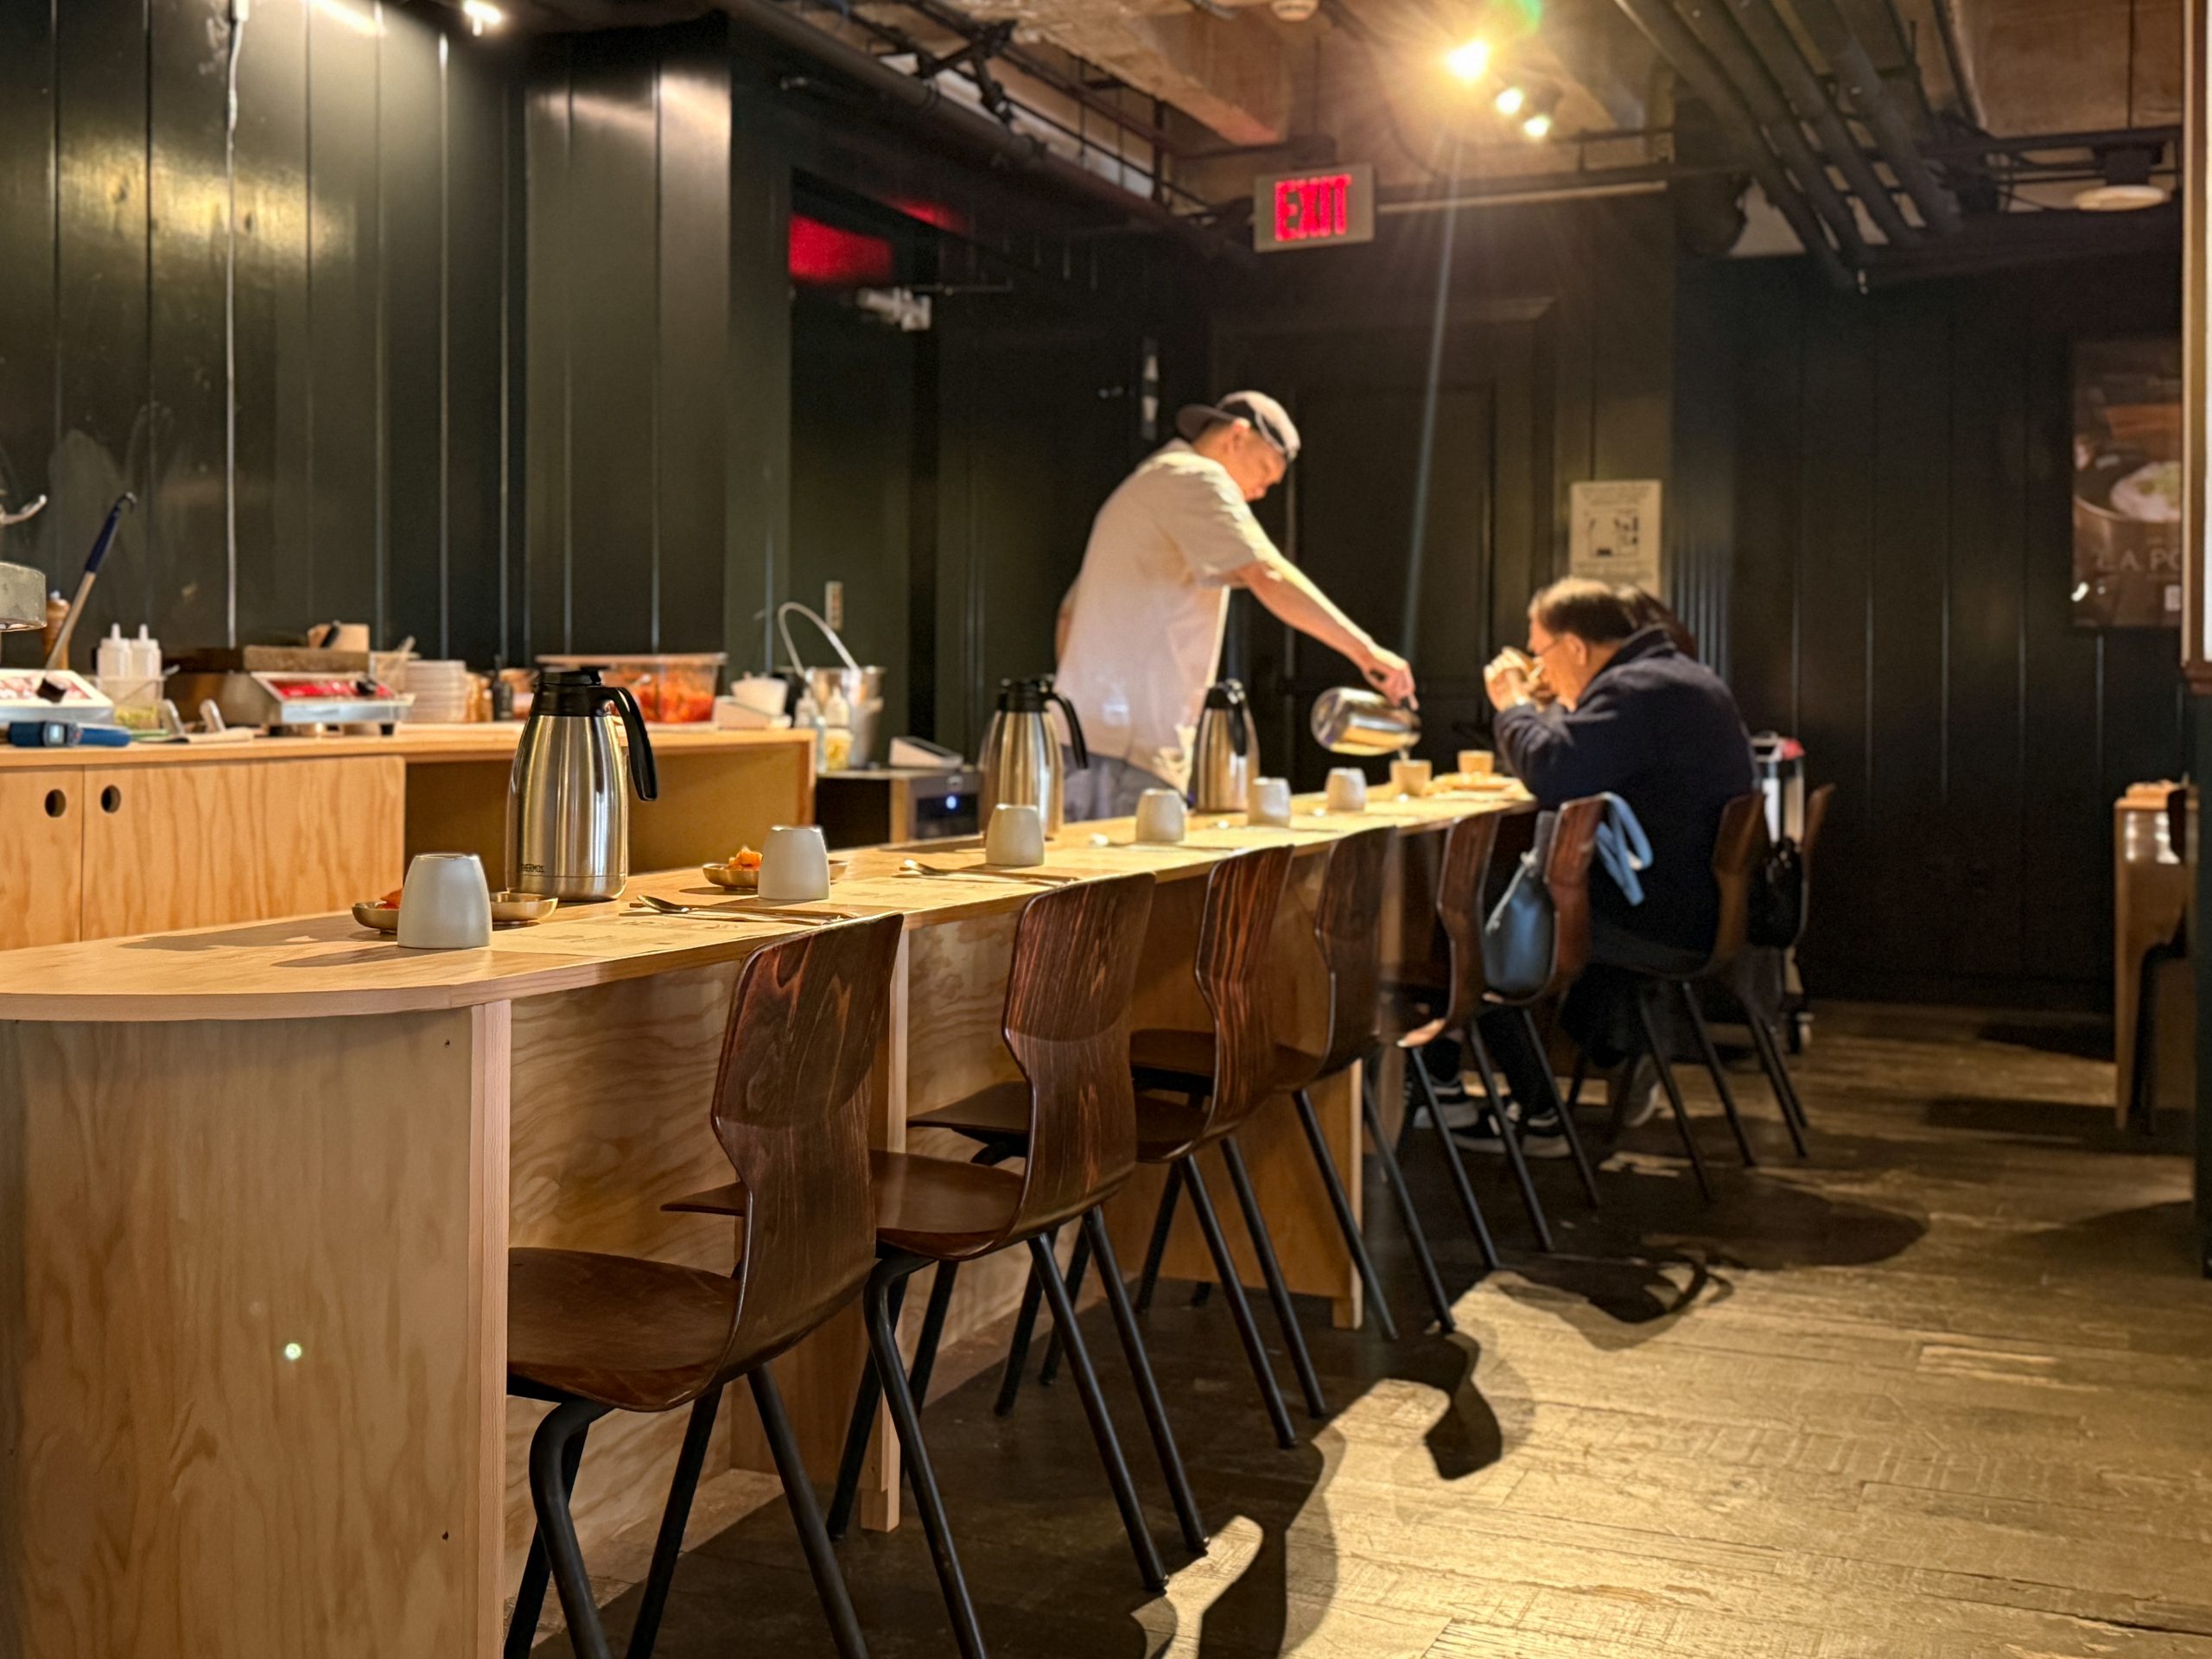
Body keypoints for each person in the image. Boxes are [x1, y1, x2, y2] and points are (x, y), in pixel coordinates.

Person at [1462, 577, 1755, 1154]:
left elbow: (1553, 772)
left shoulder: (1636, 690)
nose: (1540, 668)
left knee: (1467, 922)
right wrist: (1550, 708)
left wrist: (1515, 704)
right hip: (1696, 905)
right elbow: (1578, 754)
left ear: (1574, 647)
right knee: (1490, 902)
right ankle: (1603, 1053)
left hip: (1662, 917)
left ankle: (1536, 1112)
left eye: (1540, 653)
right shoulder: (1680, 678)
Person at [1053, 391, 1415, 820]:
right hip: (1128, 753)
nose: (1260, 492)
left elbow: (1068, 616)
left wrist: (1091, 706)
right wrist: (1366, 652)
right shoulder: (1196, 477)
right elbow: (1268, 574)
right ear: (1237, 436)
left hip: (1078, 743)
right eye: (1264, 471)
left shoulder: (1145, 486)